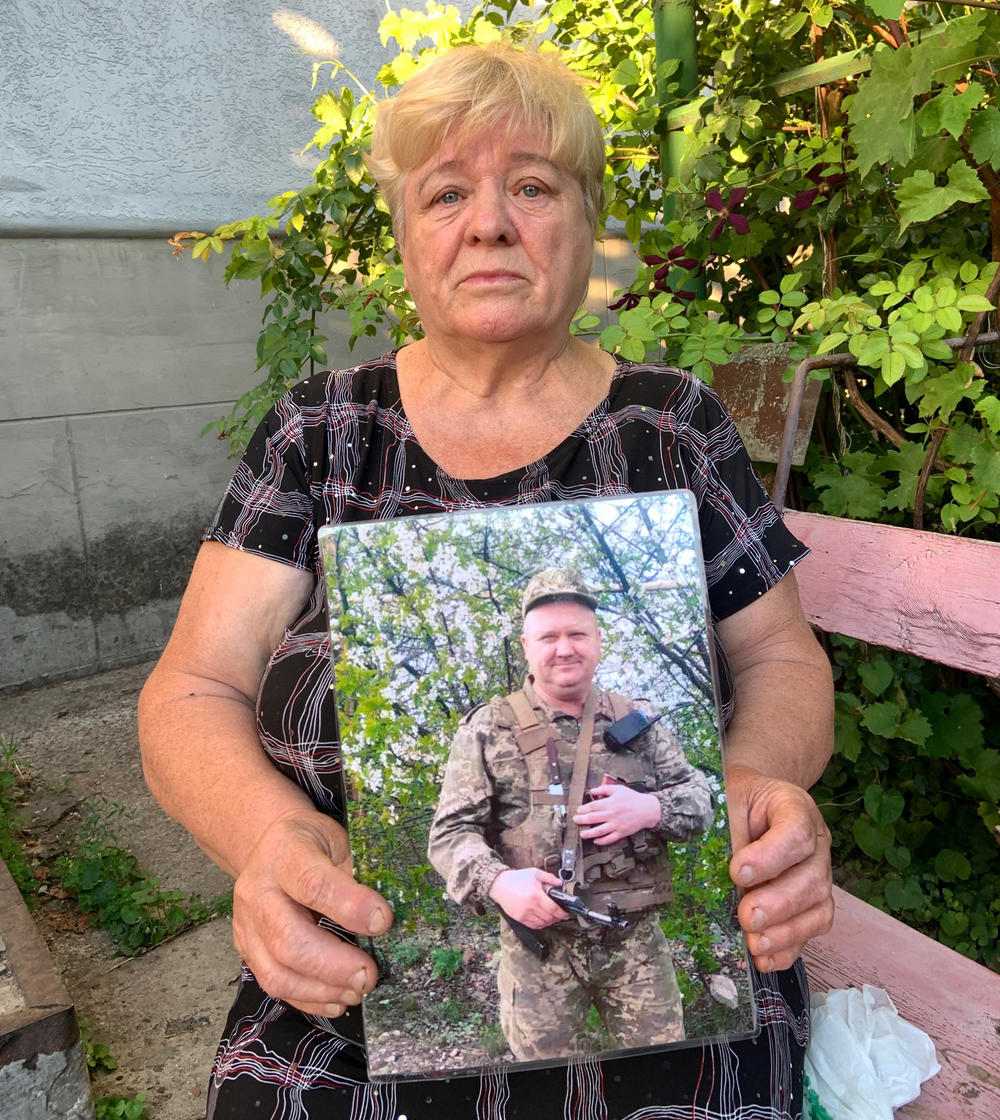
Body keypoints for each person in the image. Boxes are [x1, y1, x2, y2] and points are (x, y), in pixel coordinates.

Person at [138, 39, 835, 1120]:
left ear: (587, 224)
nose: (490, 222)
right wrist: (270, 844)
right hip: (367, 973)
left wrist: (748, 791)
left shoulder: (669, 424)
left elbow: (780, 658)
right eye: (447, 191)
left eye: (532, 186)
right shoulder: (321, 432)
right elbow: (193, 689)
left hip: (667, 964)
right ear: (407, 237)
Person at [428, 567, 715, 1060]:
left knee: (660, 1078)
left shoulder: (637, 721)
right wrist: (499, 882)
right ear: (526, 646)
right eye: (549, 637)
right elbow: (450, 836)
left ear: (598, 641)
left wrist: (651, 808)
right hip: (538, 951)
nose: (565, 648)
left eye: (577, 634)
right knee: (549, 1093)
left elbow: (701, 802)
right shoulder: (487, 728)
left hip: (634, 944)